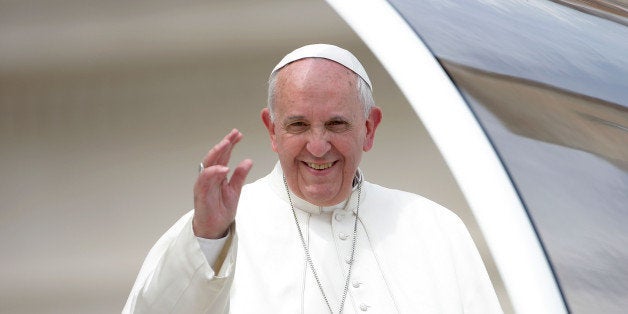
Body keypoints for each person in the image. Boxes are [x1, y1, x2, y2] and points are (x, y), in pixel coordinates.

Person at [123, 44, 502, 314]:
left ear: (369, 129)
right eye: (298, 125)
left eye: (336, 124)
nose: (318, 147)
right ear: (272, 131)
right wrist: (207, 241)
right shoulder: (214, 232)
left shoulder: (435, 229)